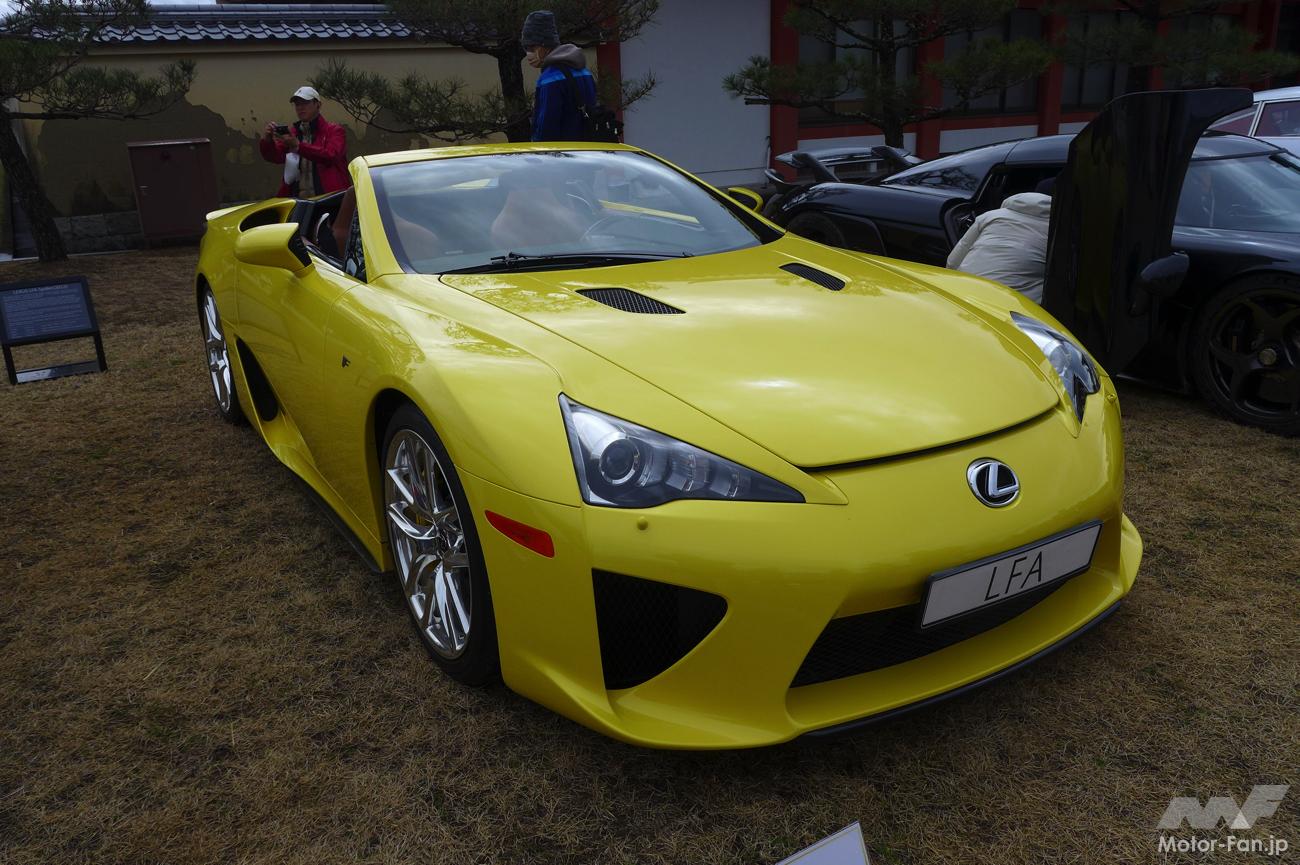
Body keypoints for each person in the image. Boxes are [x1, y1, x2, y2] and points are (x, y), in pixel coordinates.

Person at [946, 190, 1053, 304]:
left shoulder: (990, 216)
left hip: (964, 291)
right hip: (1011, 304)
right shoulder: (1057, 231)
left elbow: (953, 262)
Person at [259, 86, 350, 198]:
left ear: (318, 105)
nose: (300, 107)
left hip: (330, 198)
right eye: (297, 104)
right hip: (300, 201)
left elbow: (331, 155)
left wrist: (298, 146)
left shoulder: (334, 130)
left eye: (305, 103)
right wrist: (267, 140)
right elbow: (275, 157)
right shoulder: (293, 133)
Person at [522, 10, 597, 142]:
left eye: (532, 48)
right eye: (525, 48)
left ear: (545, 46)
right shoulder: (584, 71)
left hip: (562, 151)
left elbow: (546, 126)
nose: (528, 54)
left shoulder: (550, 78)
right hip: (588, 147)